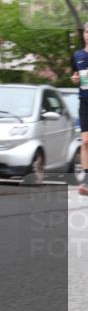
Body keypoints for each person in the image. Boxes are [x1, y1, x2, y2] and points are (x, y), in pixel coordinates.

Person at [71, 21, 88, 196]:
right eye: (86, 31)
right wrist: (75, 79)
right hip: (84, 102)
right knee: (85, 142)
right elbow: (75, 76)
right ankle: (87, 180)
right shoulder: (77, 56)